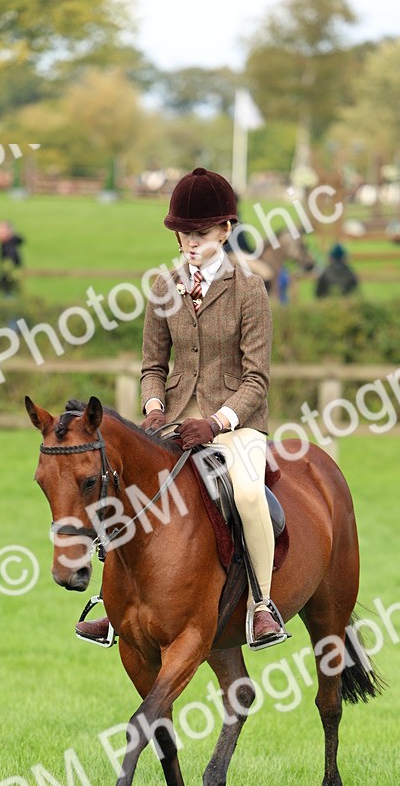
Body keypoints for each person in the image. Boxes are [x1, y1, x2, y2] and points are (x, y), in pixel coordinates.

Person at [77, 166, 285, 649]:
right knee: (122, 484)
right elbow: (153, 365)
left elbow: (256, 378)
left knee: (248, 494)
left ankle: (262, 605)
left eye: (201, 234)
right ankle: (112, 603)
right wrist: (153, 407)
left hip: (235, 423)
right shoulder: (163, 287)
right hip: (171, 420)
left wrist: (215, 422)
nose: (190, 243)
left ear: (225, 231)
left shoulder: (249, 289)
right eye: (183, 234)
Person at [0, 220, 24, 295]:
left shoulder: (9, 247)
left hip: (9, 286)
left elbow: (9, 267)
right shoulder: (6, 245)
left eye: (0, 232)